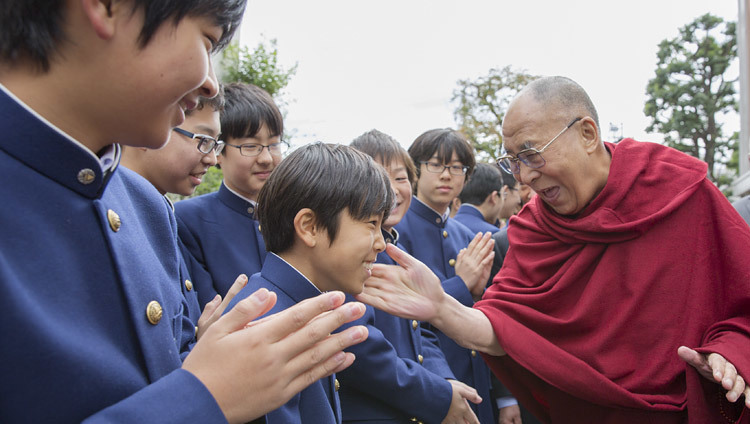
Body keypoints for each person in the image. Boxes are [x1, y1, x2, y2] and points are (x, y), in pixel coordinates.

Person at [0, 2, 369, 422]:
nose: (211, 84)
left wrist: (206, 357)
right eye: (206, 40)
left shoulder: (145, 207)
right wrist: (205, 395)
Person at [359, 76, 750, 423]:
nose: (525, 176)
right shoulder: (535, 227)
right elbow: (507, 327)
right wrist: (444, 309)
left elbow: (742, 305)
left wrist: (731, 351)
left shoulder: (680, 193)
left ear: (587, 134)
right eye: (514, 162)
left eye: (531, 155)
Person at [225, 142, 393, 423]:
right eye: (371, 223)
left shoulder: (291, 303)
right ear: (309, 227)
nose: (381, 243)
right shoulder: (269, 328)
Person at [342, 129, 483, 423]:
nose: (392, 190)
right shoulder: (348, 251)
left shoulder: (395, 245)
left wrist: (444, 382)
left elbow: (420, 331)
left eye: (400, 178)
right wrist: (438, 395)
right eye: (379, 177)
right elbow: (363, 346)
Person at [394, 128, 497, 423]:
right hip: (430, 386)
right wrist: (462, 285)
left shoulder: (468, 236)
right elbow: (406, 312)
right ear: (416, 169)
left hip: (477, 382)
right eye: (436, 164)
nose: (446, 175)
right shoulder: (396, 231)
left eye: (457, 167)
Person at [121, 88, 225, 327]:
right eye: (204, 141)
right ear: (152, 124)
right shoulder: (116, 214)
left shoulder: (158, 216)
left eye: (215, 145)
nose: (212, 159)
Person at [175, 82, 283, 308]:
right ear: (218, 151)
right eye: (251, 146)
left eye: (273, 144)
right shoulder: (189, 220)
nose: (266, 158)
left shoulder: (293, 218)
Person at [455, 163, 521, 235]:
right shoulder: (491, 235)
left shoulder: (448, 227)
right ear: (494, 197)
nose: (519, 200)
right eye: (503, 195)